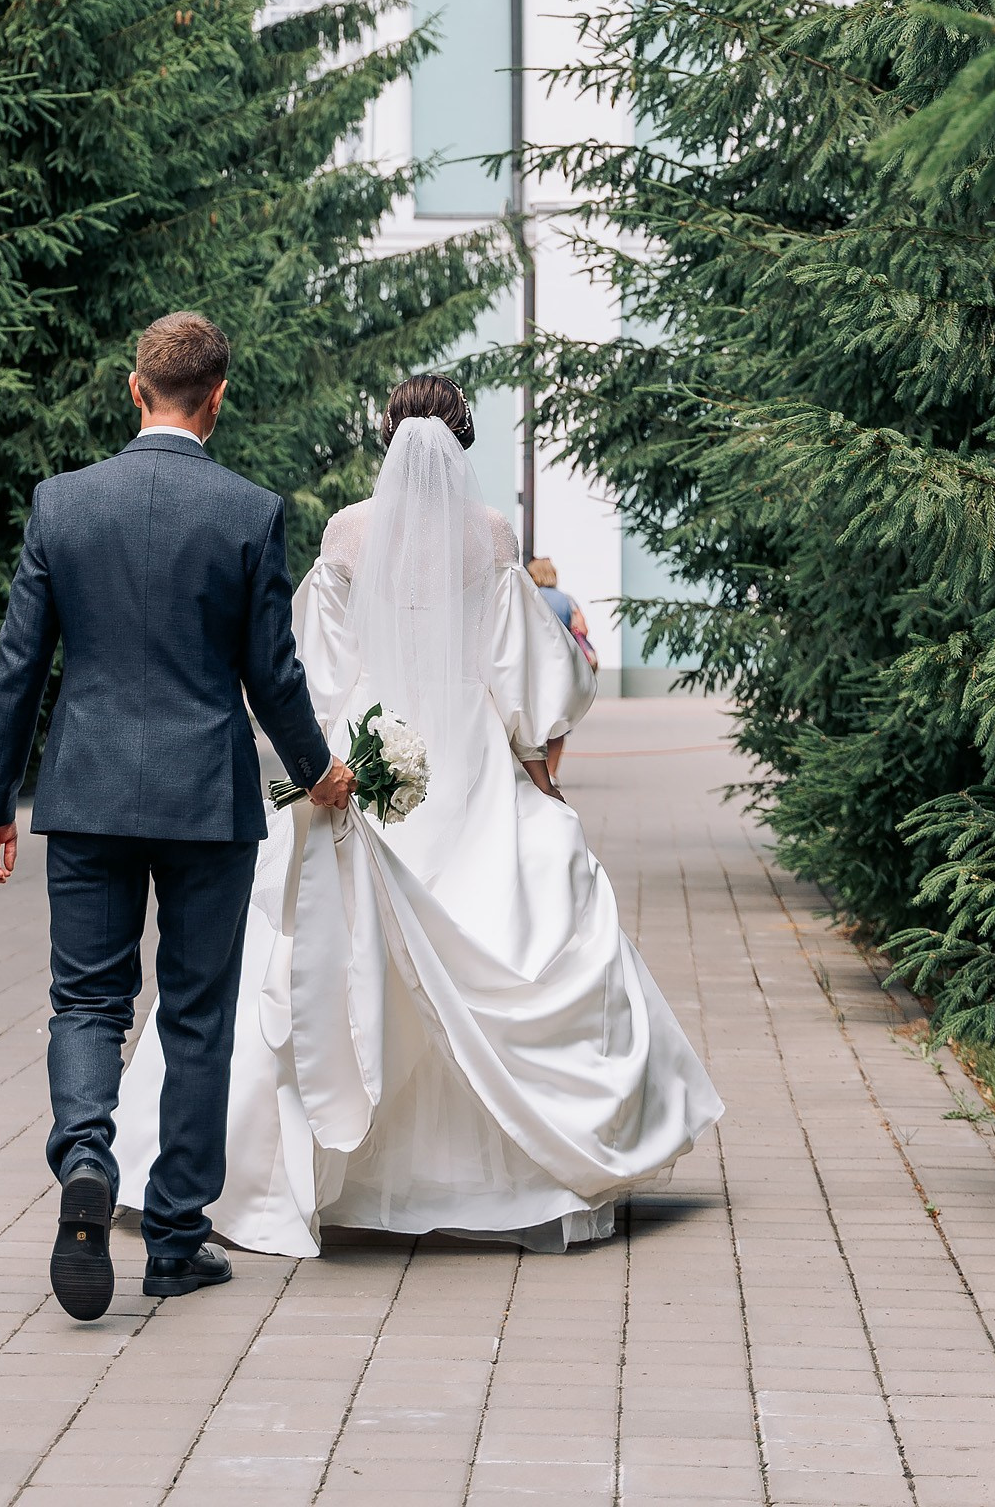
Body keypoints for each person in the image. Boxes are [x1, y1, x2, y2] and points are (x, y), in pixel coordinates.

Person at [114, 374, 723, 1254]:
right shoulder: (492, 537)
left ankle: (256, 1167)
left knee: (300, 939)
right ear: (461, 443)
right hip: (467, 760)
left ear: (389, 438)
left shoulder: (349, 532)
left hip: (366, 752)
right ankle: (510, 1172)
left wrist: (317, 760)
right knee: (524, 897)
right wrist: (535, 757)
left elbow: (314, 667)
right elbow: (532, 684)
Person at [0, 311, 355, 1321]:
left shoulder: (62, 504)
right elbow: (269, 675)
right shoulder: (248, 511)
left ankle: (87, 1159)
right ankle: (176, 1242)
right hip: (203, 799)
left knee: (87, 1002)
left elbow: (19, 670)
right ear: (214, 401)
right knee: (194, 1019)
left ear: (133, 389)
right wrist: (316, 769)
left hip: (88, 792)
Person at [525, 555, 597, 787]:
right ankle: (552, 773)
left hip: (532, 667)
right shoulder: (567, 600)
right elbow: (582, 629)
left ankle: (534, 775)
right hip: (561, 669)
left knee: (533, 720)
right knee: (558, 721)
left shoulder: (528, 597)